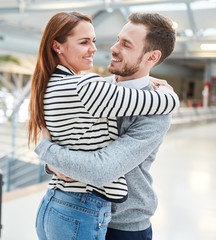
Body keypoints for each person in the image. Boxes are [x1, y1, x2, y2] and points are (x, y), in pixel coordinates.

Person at [28, 11, 179, 240]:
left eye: (126, 45)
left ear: (152, 57)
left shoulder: (157, 114)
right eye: (118, 39)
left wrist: (48, 151)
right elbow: (65, 135)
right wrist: (51, 162)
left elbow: (102, 169)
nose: (113, 48)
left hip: (123, 226)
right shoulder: (95, 88)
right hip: (78, 211)